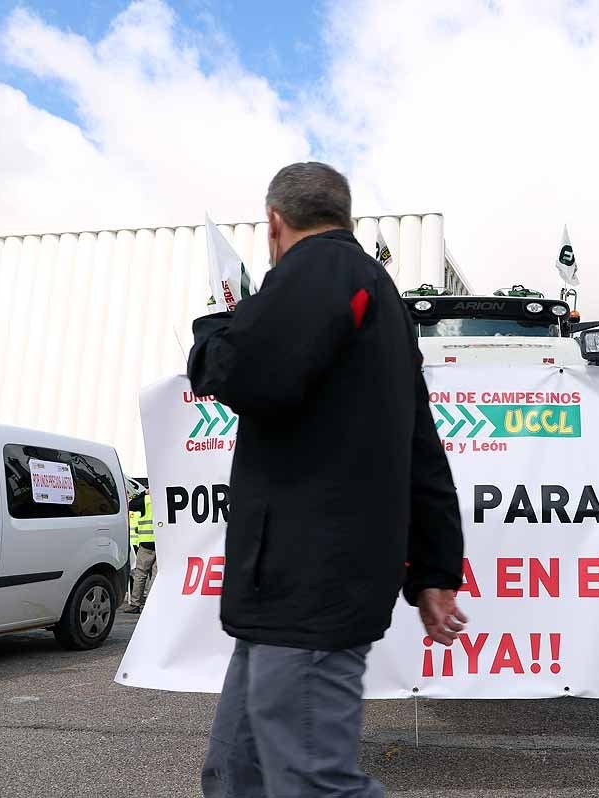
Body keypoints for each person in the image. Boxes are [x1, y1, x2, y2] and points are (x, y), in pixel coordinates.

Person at [188, 161, 466, 798]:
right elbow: (422, 450)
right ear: (345, 216)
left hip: (308, 585)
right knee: (238, 775)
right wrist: (435, 570)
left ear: (274, 224)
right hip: (289, 593)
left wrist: (212, 329)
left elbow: (248, 373)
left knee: (312, 781)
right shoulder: (378, 300)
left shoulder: (322, 270)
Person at [123, 491, 156, 614]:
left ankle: (135, 604)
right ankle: (153, 604)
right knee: (157, 575)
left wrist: (143, 493)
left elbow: (131, 504)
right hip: (162, 542)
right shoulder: (166, 496)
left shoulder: (146, 500)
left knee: (140, 574)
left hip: (146, 543)